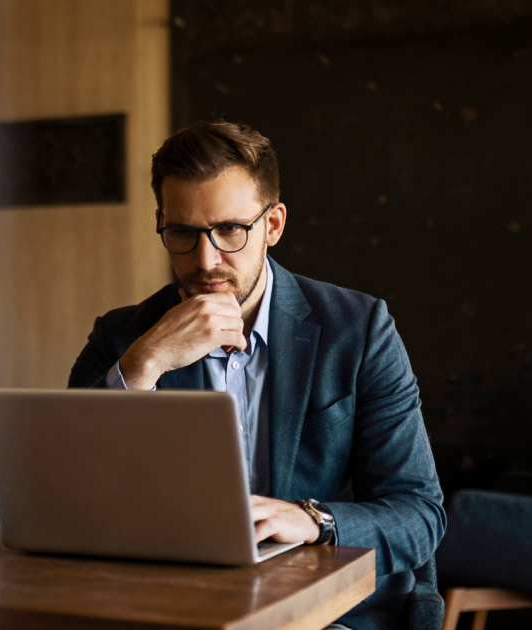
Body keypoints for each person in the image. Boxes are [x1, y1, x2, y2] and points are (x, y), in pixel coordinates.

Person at [68, 120, 445, 630]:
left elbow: (420, 513)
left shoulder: (358, 330)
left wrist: (313, 520)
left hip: (328, 614)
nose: (206, 260)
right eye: (181, 232)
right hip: (172, 608)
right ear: (161, 222)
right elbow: (71, 500)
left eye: (229, 230)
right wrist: (144, 365)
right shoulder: (122, 339)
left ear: (273, 225)